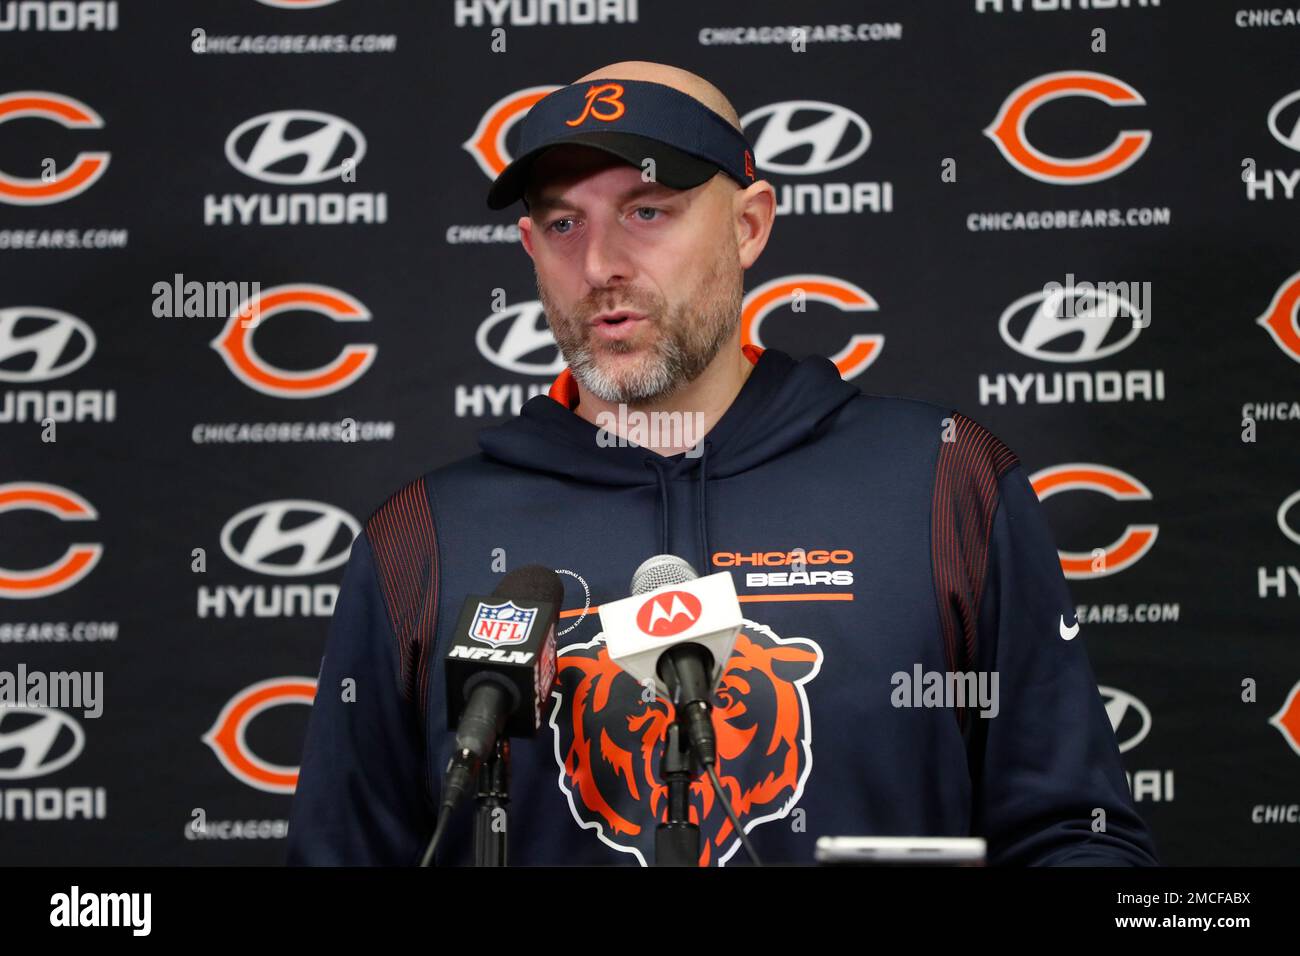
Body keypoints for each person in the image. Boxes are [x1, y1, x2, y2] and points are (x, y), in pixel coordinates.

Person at [286, 61, 1159, 867]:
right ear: (530, 249)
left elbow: (1070, 833)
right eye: (563, 223)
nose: (599, 267)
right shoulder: (425, 535)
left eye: (647, 210)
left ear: (749, 225)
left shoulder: (941, 481)